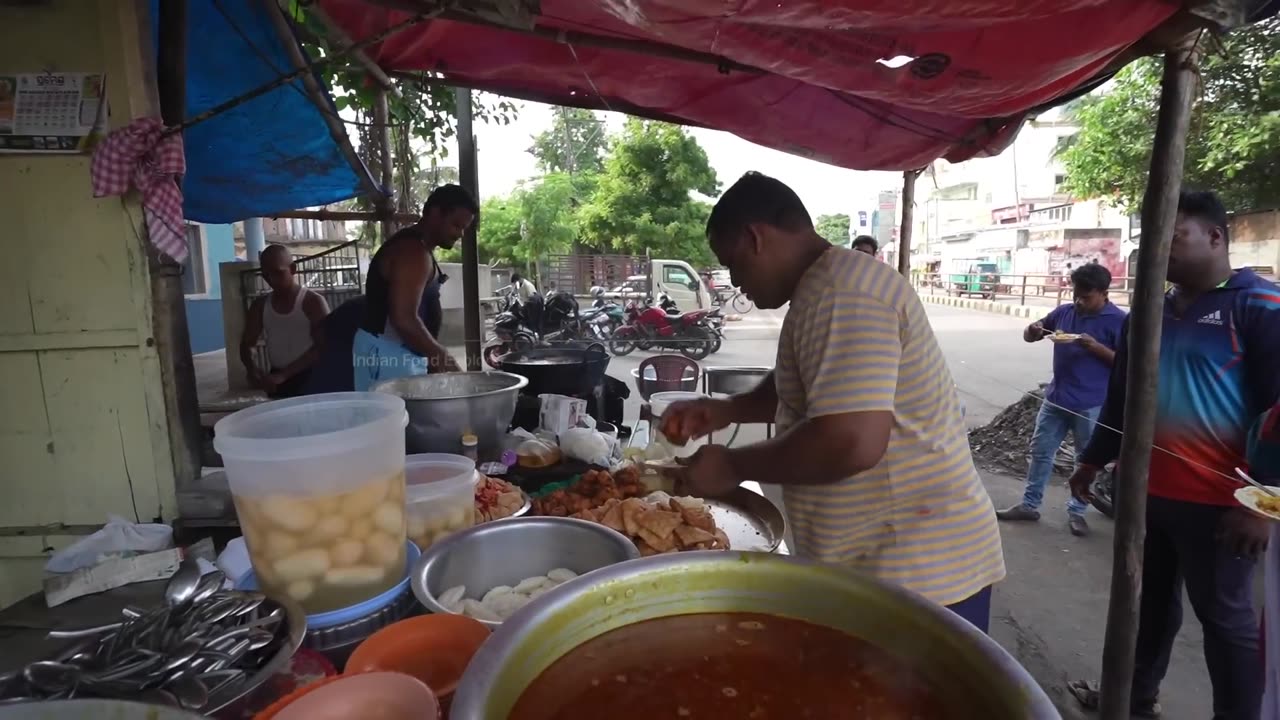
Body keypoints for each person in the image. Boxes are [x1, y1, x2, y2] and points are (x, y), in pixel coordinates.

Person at [660, 172, 1005, 631]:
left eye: (734, 263)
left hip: (915, 576)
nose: (737, 282)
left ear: (754, 237)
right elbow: (808, 388)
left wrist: (733, 466)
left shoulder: (843, 292)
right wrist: (726, 410)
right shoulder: (824, 286)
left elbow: (850, 442)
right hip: (882, 568)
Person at [1067, 190, 1280, 719]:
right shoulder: (1151, 311)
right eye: (1153, 239)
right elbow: (1123, 394)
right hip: (1146, 494)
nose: (1160, 251)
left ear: (1215, 237)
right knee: (1149, 606)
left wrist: (1262, 501)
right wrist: (1094, 459)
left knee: (1224, 621)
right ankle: (1133, 699)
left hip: (1222, 505)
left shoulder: (1260, 306)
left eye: (1174, 237)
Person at [997, 263, 1126, 536]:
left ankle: (1077, 512)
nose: (1078, 302)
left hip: (1091, 404)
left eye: (1086, 297)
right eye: (1075, 295)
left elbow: (1127, 365)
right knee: (1041, 451)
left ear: (1104, 293)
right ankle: (1030, 505)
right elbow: (1034, 333)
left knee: (1085, 460)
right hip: (1056, 398)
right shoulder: (1065, 312)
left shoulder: (1119, 321)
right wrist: (1033, 331)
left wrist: (1096, 348)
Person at [354, 184, 476, 387]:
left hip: (397, 354)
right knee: (394, 418)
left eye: (464, 228)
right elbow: (404, 319)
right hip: (387, 356)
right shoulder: (413, 252)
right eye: (456, 225)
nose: (460, 234)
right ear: (436, 213)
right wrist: (442, 358)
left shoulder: (419, 248)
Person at [239, 244, 329, 398]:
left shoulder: (312, 302)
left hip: (312, 377)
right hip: (278, 380)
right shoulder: (260, 306)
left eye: (277, 273)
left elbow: (324, 347)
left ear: (293, 269)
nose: (272, 280)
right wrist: (252, 369)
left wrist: (284, 375)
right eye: (266, 275)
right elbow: (247, 343)